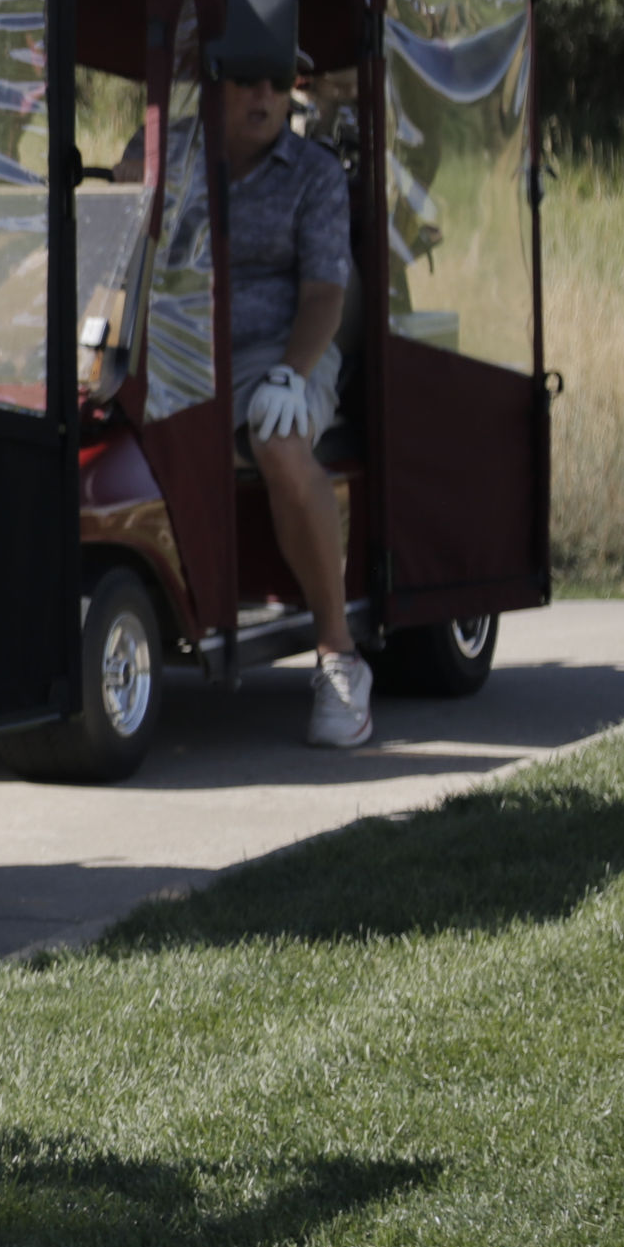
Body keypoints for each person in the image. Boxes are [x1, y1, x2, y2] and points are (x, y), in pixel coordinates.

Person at [218, 61, 368, 746]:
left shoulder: (314, 173)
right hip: (178, 349)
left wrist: (289, 373)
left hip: (281, 349)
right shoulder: (175, 155)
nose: (264, 95)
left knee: (278, 437)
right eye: (247, 78)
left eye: (277, 83)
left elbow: (324, 297)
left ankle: (338, 656)